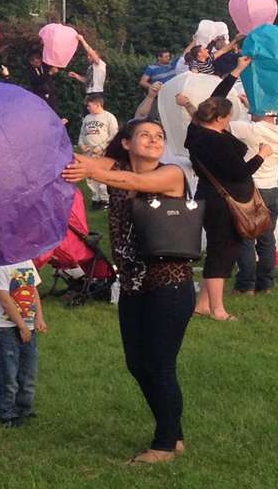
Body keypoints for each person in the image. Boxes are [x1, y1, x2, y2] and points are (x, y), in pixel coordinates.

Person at [60, 118, 193, 463]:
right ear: (126, 143)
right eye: (145, 135)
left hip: (170, 283)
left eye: (159, 136)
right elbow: (80, 162)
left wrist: (92, 171)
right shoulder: (115, 167)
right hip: (132, 285)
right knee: (137, 364)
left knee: (160, 363)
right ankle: (173, 433)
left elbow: (133, 181)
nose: (153, 140)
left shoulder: (172, 175)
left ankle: (164, 444)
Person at [183, 95, 263, 321]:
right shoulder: (217, 141)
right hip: (223, 201)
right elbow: (239, 172)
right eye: (228, 116)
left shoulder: (196, 133)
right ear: (220, 118)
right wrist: (261, 156)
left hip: (210, 196)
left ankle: (203, 304)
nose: (230, 120)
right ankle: (218, 309)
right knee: (222, 252)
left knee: (222, 250)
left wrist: (236, 72)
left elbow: (213, 99)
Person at [230, 109, 278, 297]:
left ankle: (246, 285)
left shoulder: (250, 129)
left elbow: (218, 122)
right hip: (271, 189)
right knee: (267, 239)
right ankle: (266, 284)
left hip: (250, 188)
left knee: (246, 238)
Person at [0, 255, 46, 428]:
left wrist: (38, 318)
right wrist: (21, 326)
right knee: (9, 371)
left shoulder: (26, 262)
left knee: (29, 370)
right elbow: (5, 300)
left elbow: (33, 291)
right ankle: (7, 413)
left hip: (28, 326)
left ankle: (24, 407)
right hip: (5, 327)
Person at [75, 93, 120, 205]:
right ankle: (96, 197)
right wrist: (81, 144)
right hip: (89, 152)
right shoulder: (87, 118)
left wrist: (101, 147)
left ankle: (105, 198)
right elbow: (82, 133)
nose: (87, 108)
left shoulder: (108, 117)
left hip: (102, 152)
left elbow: (114, 134)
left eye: (89, 105)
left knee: (102, 173)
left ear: (97, 104)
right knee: (90, 175)